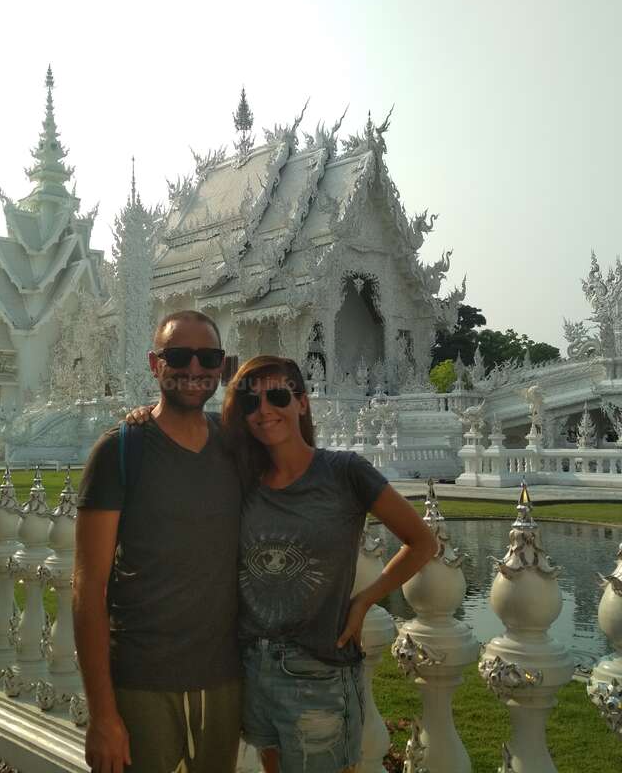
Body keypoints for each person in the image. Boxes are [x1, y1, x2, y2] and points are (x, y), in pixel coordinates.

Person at [221, 355, 438, 773]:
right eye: (251, 403)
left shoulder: (344, 472)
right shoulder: (244, 478)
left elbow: (421, 542)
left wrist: (364, 601)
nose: (264, 410)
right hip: (251, 663)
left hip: (316, 669)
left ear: (302, 402)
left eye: (278, 396)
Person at [73, 310, 242, 773]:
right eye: (178, 356)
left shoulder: (235, 446)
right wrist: (103, 715)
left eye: (207, 357)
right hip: (141, 681)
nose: (194, 368)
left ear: (221, 366)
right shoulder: (118, 451)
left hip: (225, 678)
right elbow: (88, 591)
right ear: (155, 364)